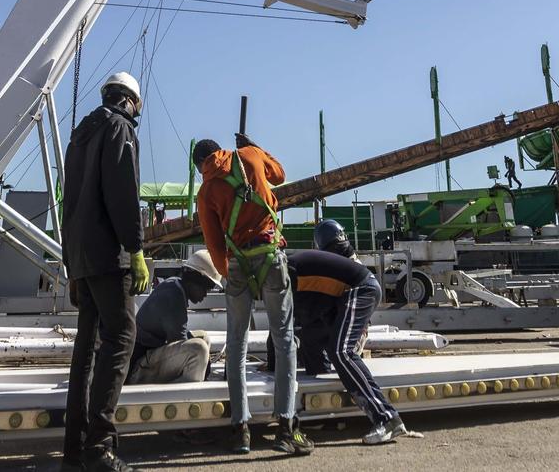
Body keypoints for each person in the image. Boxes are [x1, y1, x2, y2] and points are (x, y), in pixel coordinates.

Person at [193, 133, 313, 456]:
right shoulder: (249, 156)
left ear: (200, 166)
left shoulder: (206, 192)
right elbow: (280, 174)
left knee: (237, 345)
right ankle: (286, 427)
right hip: (271, 255)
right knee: (284, 339)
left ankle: (240, 429)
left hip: (238, 264)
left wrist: (230, 271)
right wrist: (256, 148)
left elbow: (215, 247)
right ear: (219, 149)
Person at [62, 71, 150, 472]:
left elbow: (69, 202)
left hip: (82, 256)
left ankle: (75, 449)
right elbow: (122, 191)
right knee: (121, 338)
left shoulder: (79, 135)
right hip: (109, 255)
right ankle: (100, 448)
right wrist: (135, 248)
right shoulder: (120, 128)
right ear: (130, 101)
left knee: (86, 350)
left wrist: (71, 265)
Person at [290, 220, 406, 446]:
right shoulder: (337, 259)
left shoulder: (298, 270)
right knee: (311, 340)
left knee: (340, 352)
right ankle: (326, 410)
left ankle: (387, 418)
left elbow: (297, 315)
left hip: (357, 294)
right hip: (349, 301)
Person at [130, 250, 218, 384]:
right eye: (206, 288)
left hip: (148, 357)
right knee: (198, 349)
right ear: (195, 280)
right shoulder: (173, 297)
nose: (205, 295)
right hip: (139, 368)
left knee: (203, 338)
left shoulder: (175, 284)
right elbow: (179, 341)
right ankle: (189, 398)